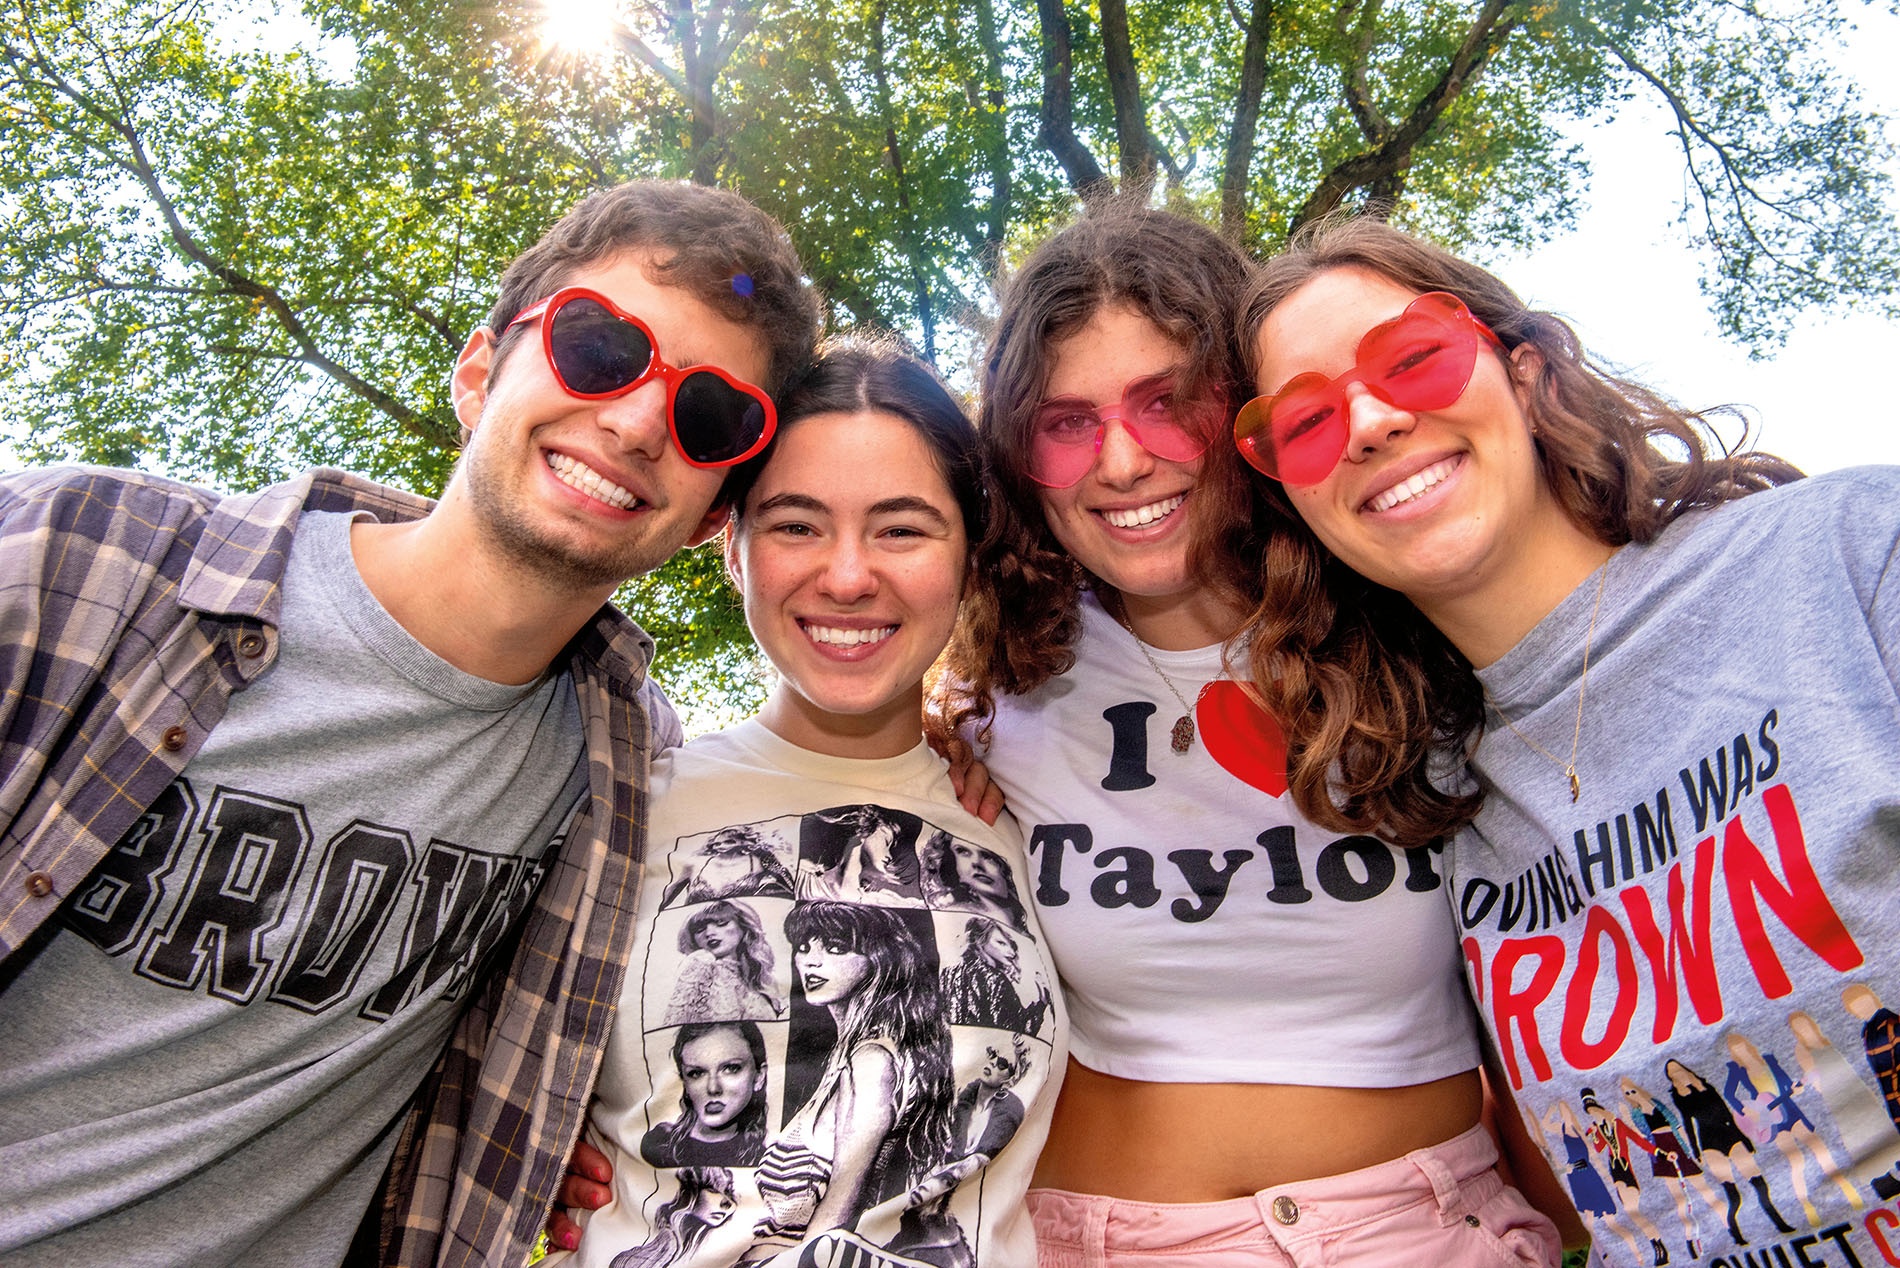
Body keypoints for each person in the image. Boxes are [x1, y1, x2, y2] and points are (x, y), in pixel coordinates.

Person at [0, 178, 820, 1268]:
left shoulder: (625, 776)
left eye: (711, 415)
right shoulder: (77, 553)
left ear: (714, 510)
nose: (634, 419)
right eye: (600, 347)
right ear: (480, 371)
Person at [1237, 212, 1900, 1263]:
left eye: (1411, 357)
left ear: (1527, 371)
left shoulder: (1850, 554)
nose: (1365, 421)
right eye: (1306, 421)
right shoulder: (1425, 791)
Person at [941, 201, 1561, 1265]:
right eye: (1067, 421)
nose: (1124, 461)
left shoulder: (1421, 644)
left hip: (1421, 1231)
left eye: (1166, 402)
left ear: (1247, 413)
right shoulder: (995, 698)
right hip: (1096, 1239)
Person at [545, 342, 1066, 1268]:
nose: (849, 575)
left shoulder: (1032, 818)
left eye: (903, 529)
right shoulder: (613, 809)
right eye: (796, 525)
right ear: (733, 553)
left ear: (970, 559)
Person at [640, 1023, 771, 1167]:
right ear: (684, 1082)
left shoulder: (769, 1157)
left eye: (731, 1068)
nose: (713, 1088)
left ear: (759, 1077)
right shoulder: (659, 1144)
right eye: (696, 1073)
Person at [664, 901, 785, 1023]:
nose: (709, 933)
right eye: (700, 929)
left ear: (743, 927)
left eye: (721, 923)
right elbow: (675, 1023)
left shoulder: (763, 979)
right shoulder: (700, 965)